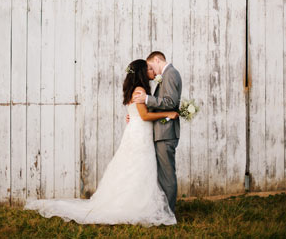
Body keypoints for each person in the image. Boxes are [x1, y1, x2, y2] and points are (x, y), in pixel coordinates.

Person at [24, 59, 177, 226]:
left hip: (137, 131)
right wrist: (168, 113)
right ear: (141, 72)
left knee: (136, 168)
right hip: (139, 134)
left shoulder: (136, 89)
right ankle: (134, 205)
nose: (151, 70)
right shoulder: (140, 89)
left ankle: (136, 202)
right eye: (148, 68)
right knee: (138, 167)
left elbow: (138, 113)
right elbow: (145, 116)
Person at [132, 51, 182, 213]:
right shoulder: (165, 76)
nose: (152, 71)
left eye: (151, 67)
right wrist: (135, 115)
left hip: (166, 132)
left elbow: (170, 102)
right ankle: (163, 209)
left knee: (167, 175)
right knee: (162, 175)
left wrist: (147, 99)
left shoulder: (171, 73)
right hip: (160, 131)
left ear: (157, 59)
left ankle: (169, 212)